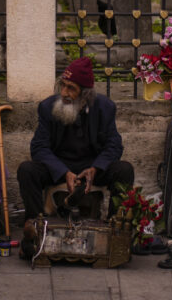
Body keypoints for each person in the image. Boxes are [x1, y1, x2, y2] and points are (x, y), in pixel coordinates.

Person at [17, 57, 134, 221]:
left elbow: (114, 146)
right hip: (59, 167)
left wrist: (96, 168)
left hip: (92, 167)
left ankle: (116, 225)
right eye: (62, 85)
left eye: (71, 88)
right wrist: (64, 172)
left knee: (124, 170)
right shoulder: (47, 107)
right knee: (27, 170)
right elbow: (39, 147)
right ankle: (35, 225)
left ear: (85, 94)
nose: (64, 93)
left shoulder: (105, 108)